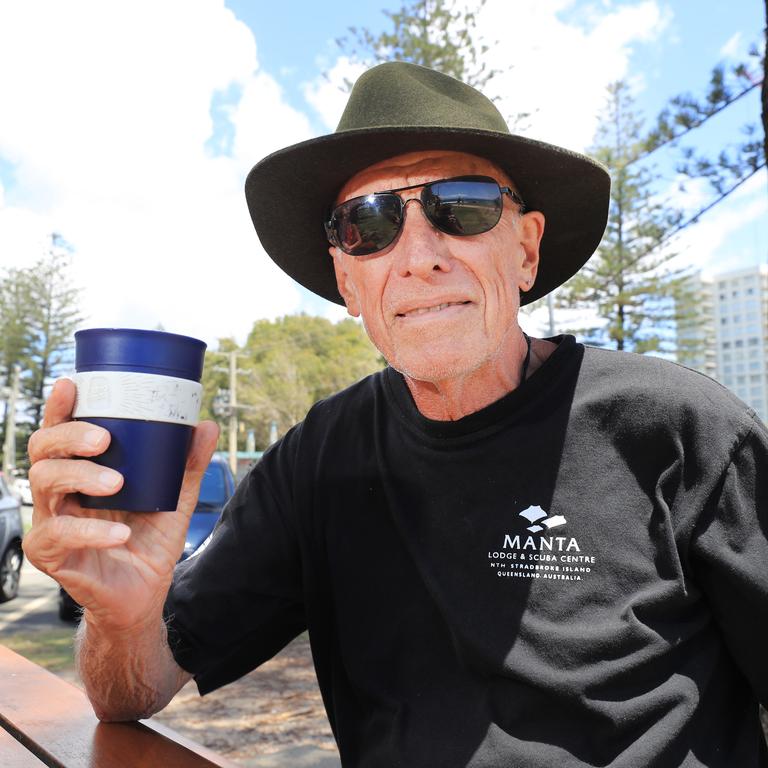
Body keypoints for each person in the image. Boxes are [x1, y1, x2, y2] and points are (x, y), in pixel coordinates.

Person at [24, 62, 767, 767]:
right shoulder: (318, 460)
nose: (417, 255)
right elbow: (131, 691)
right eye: (368, 223)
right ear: (349, 281)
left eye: (464, 206)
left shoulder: (677, 429)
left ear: (527, 250)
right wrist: (120, 616)